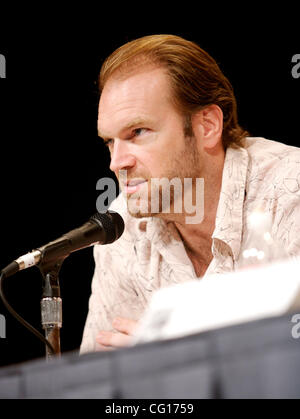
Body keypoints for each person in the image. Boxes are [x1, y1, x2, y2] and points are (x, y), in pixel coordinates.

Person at [80, 34, 300, 354]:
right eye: (110, 141)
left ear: (207, 125)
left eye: (138, 132)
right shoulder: (122, 228)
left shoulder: (290, 192)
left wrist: (180, 360)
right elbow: (98, 381)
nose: (117, 162)